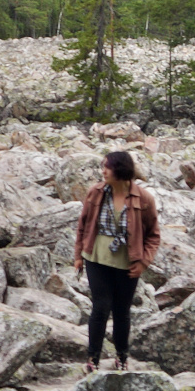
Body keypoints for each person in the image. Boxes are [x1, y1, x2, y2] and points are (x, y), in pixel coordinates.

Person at [72, 150, 160, 372]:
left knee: (122, 311)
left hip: (127, 262)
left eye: (107, 167)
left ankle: (121, 357)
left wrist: (143, 263)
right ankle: (92, 359)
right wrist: (78, 257)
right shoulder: (95, 193)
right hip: (97, 257)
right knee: (100, 308)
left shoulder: (144, 198)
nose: (103, 171)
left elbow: (153, 235)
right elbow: (83, 226)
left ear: (120, 169)